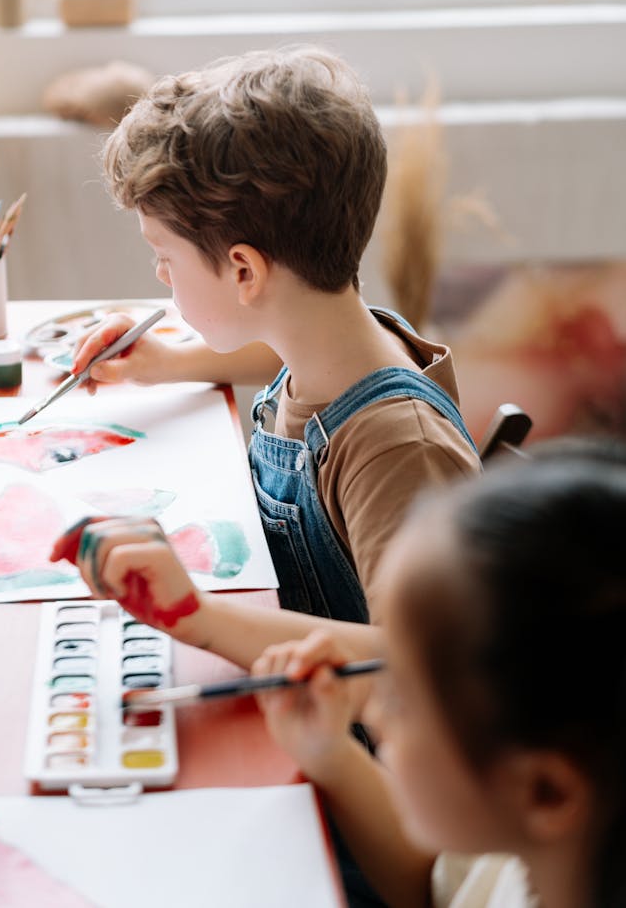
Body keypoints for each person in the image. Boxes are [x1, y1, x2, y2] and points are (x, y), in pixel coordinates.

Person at [51, 44, 479, 669]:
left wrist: (197, 616)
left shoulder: (398, 450)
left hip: (350, 744)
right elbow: (266, 357)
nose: (160, 276)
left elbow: (426, 674)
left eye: (165, 259)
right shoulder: (328, 339)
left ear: (245, 270)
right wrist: (166, 363)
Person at [251, 447, 626, 908]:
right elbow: (442, 889)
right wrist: (331, 753)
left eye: (402, 698)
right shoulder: (539, 853)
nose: (372, 708)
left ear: (544, 791)